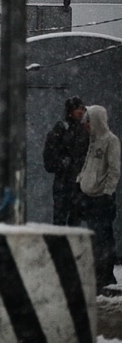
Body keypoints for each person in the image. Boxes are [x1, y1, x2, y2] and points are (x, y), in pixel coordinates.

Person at [78, 105, 121, 294]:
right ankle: (97, 273)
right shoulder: (94, 141)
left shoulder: (111, 141)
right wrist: (80, 182)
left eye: (88, 120)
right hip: (90, 197)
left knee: (103, 238)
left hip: (102, 198)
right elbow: (88, 164)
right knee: (95, 238)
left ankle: (105, 274)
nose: (86, 124)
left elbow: (114, 169)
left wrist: (108, 193)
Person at [43, 96, 89, 225]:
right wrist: (63, 163)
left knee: (74, 219)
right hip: (65, 181)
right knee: (61, 218)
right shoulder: (61, 129)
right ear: (70, 111)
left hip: (78, 182)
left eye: (82, 109)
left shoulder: (85, 130)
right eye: (77, 109)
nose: (80, 112)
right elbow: (49, 157)